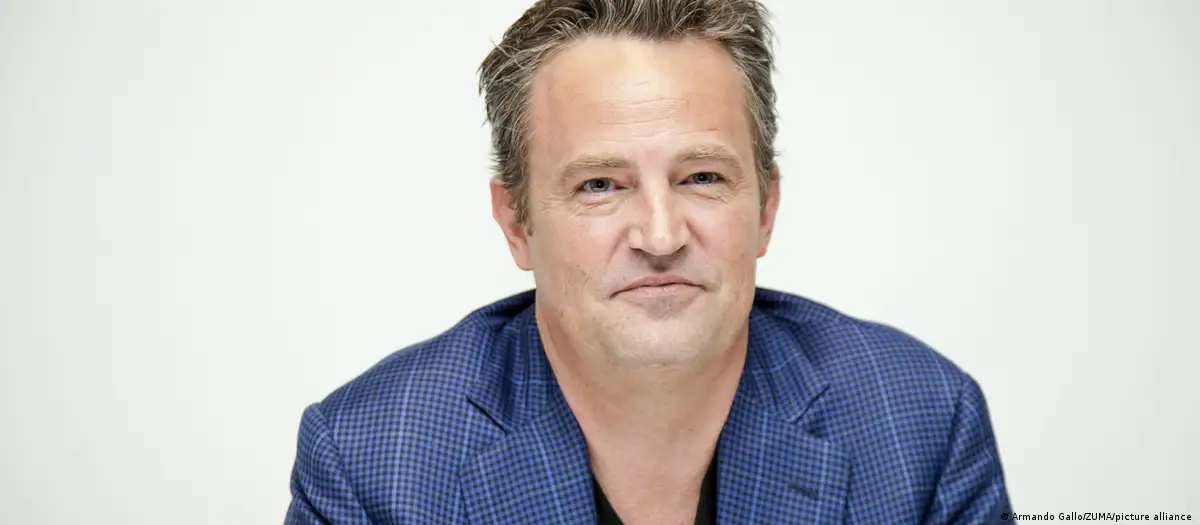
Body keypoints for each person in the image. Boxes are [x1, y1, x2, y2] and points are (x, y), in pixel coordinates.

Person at [284, 0, 1014, 523]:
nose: (661, 236)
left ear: (765, 208)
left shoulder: (920, 422)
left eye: (702, 176)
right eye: (600, 185)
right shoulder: (372, 463)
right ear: (515, 222)